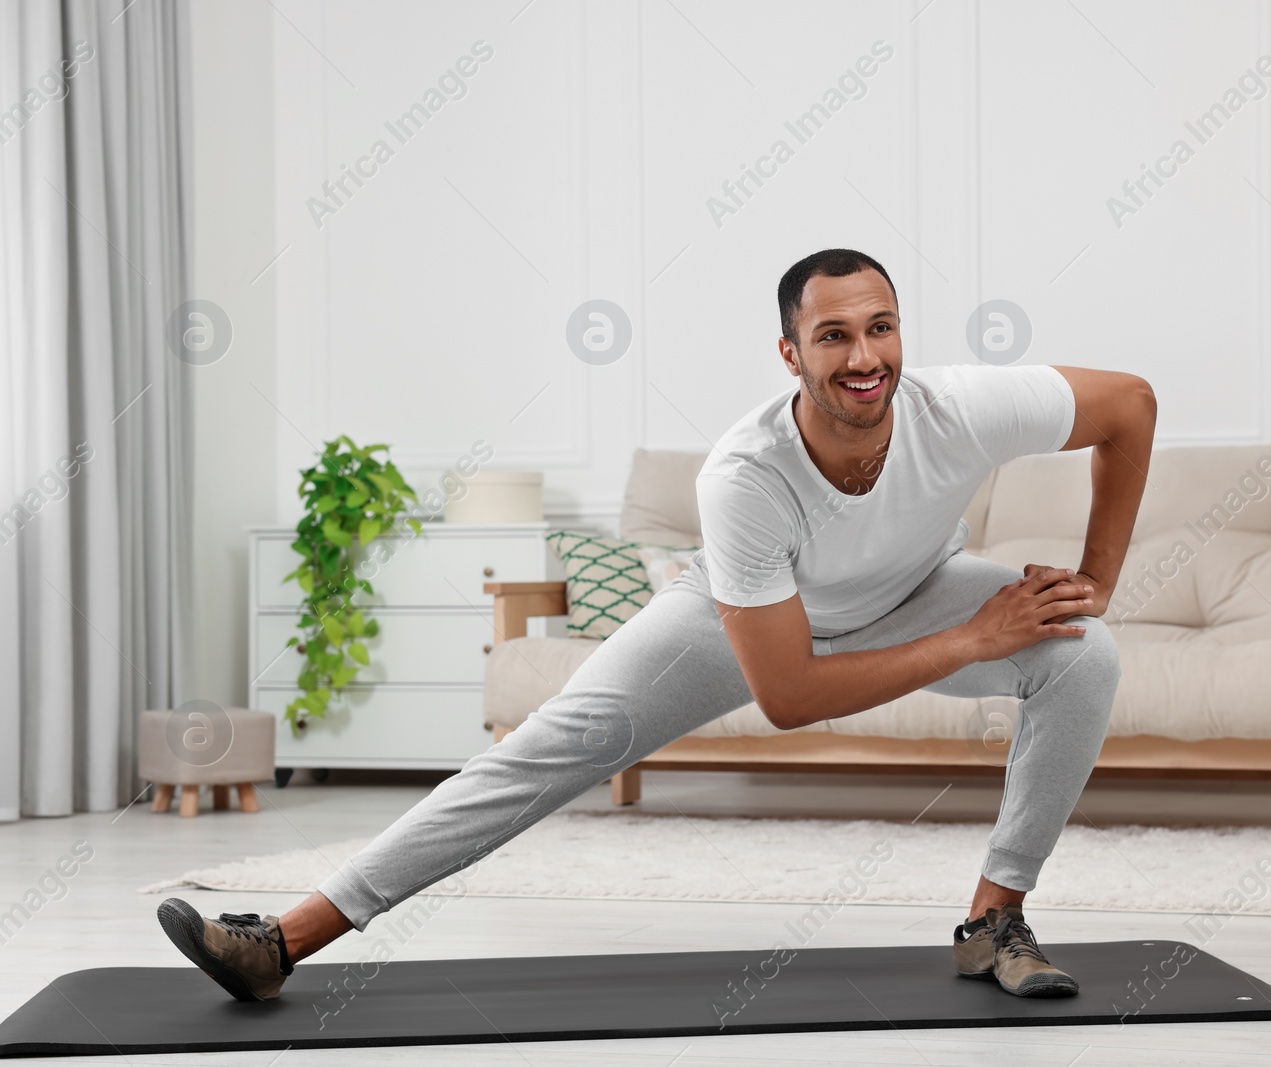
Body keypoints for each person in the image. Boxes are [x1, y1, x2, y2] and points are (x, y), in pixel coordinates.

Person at [157, 247, 1156, 1002]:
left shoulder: (965, 408)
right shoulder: (745, 475)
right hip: (735, 621)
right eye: (835, 336)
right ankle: (282, 940)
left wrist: (1097, 578)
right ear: (791, 352)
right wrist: (974, 640)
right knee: (545, 750)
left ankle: (995, 920)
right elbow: (792, 694)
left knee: (1082, 653)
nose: (866, 357)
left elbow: (1129, 404)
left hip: (911, 588)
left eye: (882, 328)